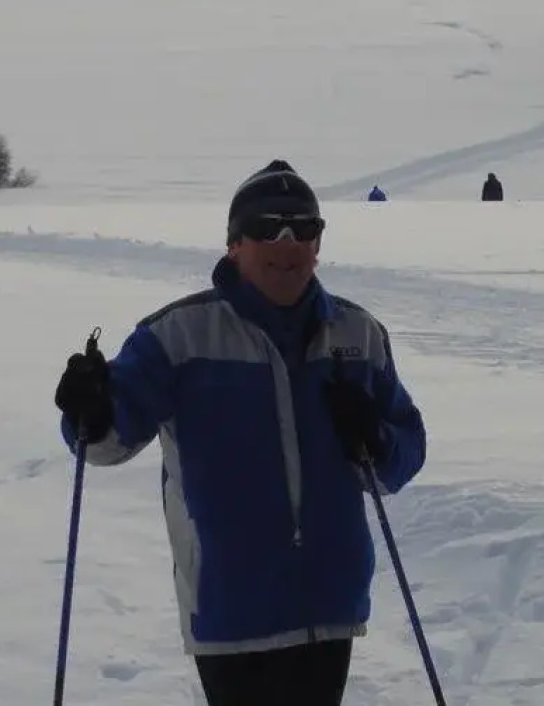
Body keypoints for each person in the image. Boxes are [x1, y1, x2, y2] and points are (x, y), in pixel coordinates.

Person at [52, 160, 428, 706]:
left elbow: (404, 452)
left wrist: (377, 438)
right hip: (231, 606)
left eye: (304, 228)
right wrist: (90, 408)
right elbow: (105, 442)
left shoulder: (357, 335)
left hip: (330, 602)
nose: (288, 241)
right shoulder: (179, 336)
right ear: (234, 244)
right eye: (267, 226)